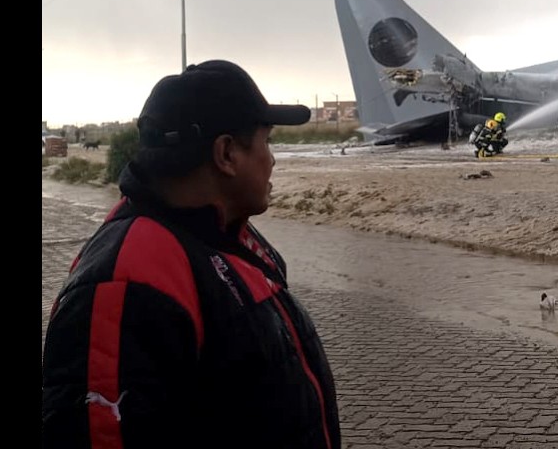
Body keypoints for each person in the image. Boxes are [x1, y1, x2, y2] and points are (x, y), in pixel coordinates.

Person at [42, 60, 341, 448]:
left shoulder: (229, 235)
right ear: (226, 154)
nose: (271, 159)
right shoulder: (129, 277)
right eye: (266, 142)